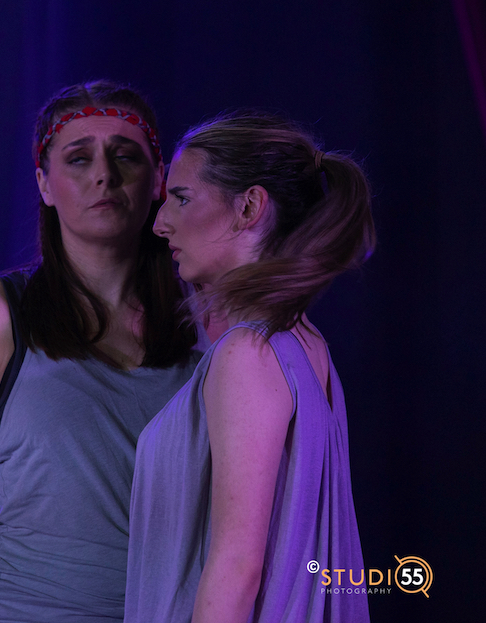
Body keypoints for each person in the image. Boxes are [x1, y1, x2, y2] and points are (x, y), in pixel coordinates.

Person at [0, 80, 201, 623]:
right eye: (78, 158)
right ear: (44, 184)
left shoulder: (203, 325)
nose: (104, 175)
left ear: (160, 179)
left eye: (125, 155)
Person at [124, 111, 375, 623]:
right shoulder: (305, 343)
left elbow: (237, 569)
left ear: (248, 207)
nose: (160, 222)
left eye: (182, 198)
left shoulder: (248, 353)